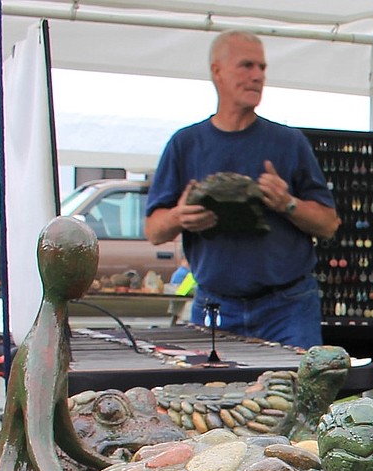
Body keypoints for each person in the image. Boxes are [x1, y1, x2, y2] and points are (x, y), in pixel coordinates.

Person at [145, 30, 338, 348]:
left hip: (287, 308)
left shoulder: (289, 143)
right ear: (217, 71)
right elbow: (154, 230)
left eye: (262, 68)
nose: (258, 76)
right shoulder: (186, 144)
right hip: (215, 306)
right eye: (247, 66)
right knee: (212, 397)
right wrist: (181, 216)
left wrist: (287, 203)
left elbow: (329, 224)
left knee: (296, 397)